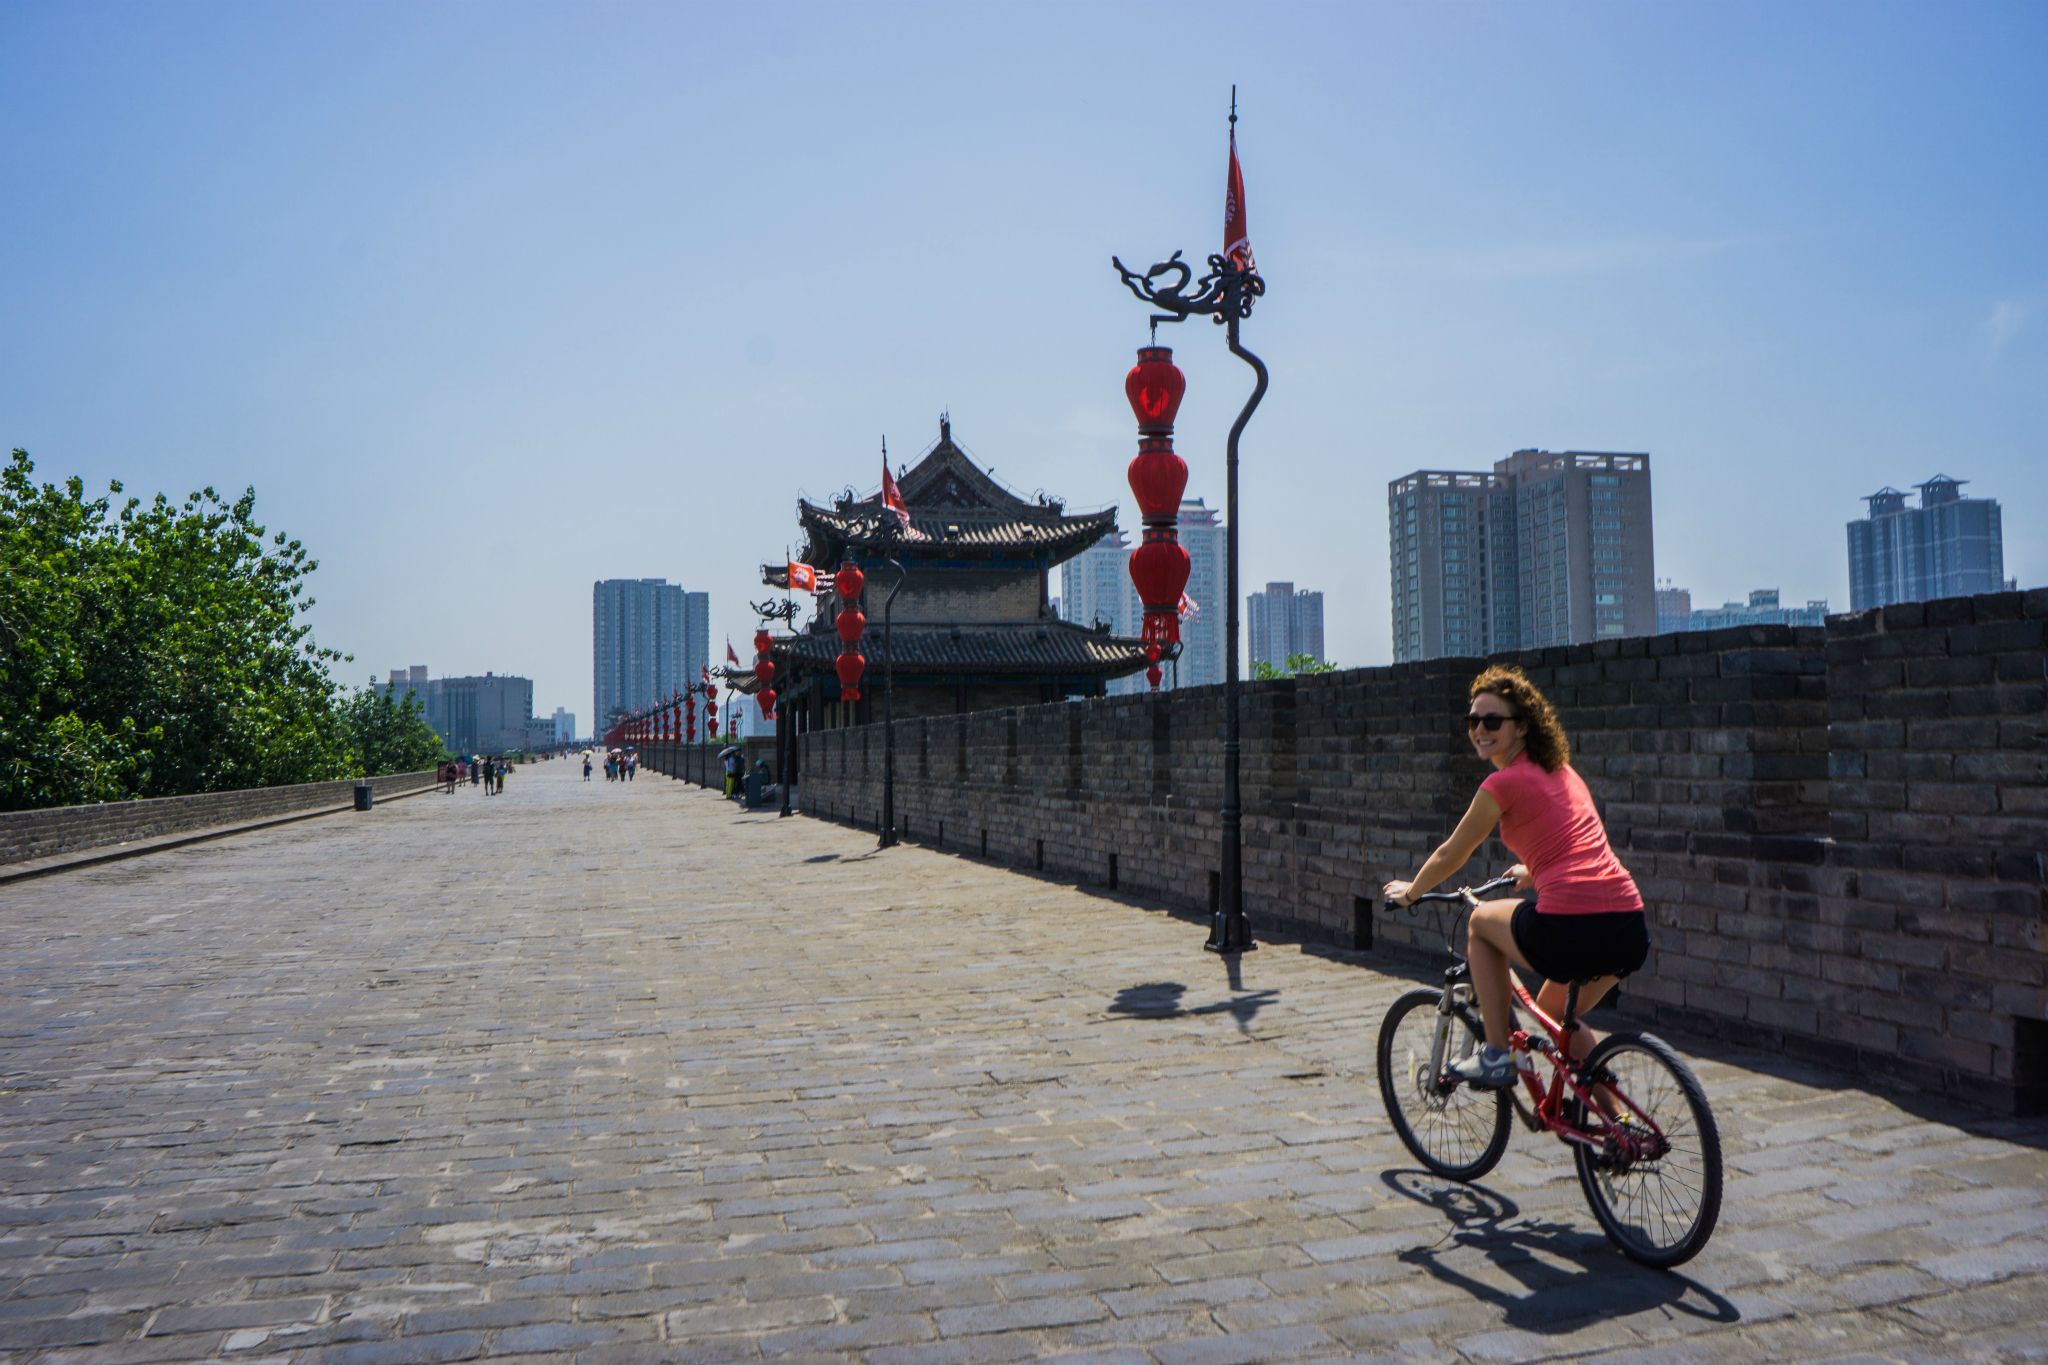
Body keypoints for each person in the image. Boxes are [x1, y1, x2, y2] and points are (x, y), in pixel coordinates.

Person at [1381, 664, 1649, 1090]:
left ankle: (1497, 1055)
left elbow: (1452, 852)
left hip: (1570, 925)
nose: (1479, 730)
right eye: (1473, 721)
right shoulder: (1562, 770)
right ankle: (1618, 1130)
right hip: (1628, 924)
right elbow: (1575, 841)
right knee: (1556, 1014)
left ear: (1522, 726)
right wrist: (1534, 868)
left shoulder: (1501, 785)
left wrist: (1412, 893)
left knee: (1481, 924)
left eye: (1492, 720)